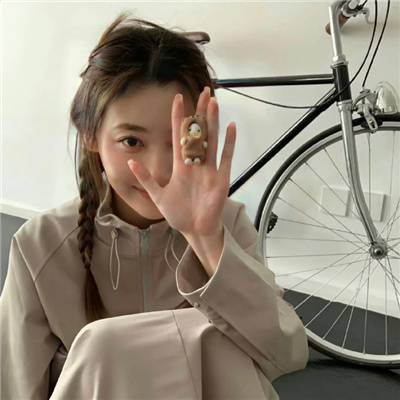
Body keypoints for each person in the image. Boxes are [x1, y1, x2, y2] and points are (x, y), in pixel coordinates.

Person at [0, 11, 309, 400]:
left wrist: (207, 240)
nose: (160, 170)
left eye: (180, 140)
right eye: (132, 141)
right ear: (91, 134)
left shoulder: (227, 226)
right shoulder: (40, 246)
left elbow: (287, 354)